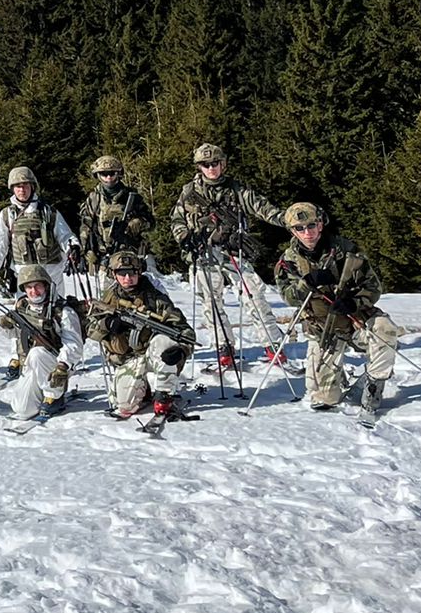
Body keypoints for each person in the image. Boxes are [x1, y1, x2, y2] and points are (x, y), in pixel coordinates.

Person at [275, 202, 402, 420]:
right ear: (292, 231)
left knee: (385, 329)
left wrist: (354, 302)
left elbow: (373, 287)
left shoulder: (346, 251)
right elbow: (288, 297)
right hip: (323, 329)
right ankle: (337, 376)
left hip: (356, 320)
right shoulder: (288, 262)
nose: (307, 232)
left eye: (311, 225)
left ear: (320, 224)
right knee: (324, 399)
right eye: (300, 228)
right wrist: (306, 283)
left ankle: (373, 385)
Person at [169, 142, 286, 368]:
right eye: (205, 164)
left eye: (215, 163)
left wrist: (286, 220)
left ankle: (272, 343)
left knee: (253, 295)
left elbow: (262, 207)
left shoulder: (236, 189)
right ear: (199, 167)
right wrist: (185, 238)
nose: (211, 168)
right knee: (210, 301)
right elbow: (177, 220)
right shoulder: (189, 192)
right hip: (204, 253)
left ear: (223, 164)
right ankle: (223, 345)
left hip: (234, 250)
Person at [85, 252, 196, 423]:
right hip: (127, 360)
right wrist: (106, 324)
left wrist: (182, 350)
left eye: (132, 273)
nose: (127, 278)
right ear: (114, 274)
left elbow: (185, 331)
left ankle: (164, 396)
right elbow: (89, 328)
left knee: (164, 342)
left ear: (139, 272)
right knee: (124, 406)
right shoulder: (109, 297)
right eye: (122, 273)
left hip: (152, 355)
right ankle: (143, 392)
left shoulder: (155, 297)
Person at [0, 265, 84, 428]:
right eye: (29, 287)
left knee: (37, 353)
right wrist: (5, 326)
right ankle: (42, 393)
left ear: (46, 286)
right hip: (30, 363)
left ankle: (54, 396)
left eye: (38, 286)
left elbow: (74, 344)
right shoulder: (21, 307)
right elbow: (14, 335)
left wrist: (63, 365)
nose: (34, 291)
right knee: (22, 409)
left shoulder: (62, 311)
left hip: (57, 365)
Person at [0, 166, 79, 294]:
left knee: (56, 305)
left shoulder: (49, 212)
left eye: (25, 186)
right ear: (12, 189)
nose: (22, 190)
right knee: (25, 307)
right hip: (24, 275)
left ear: (32, 187)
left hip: (51, 272)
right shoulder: (7, 215)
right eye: (18, 186)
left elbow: (65, 235)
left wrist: (73, 248)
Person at [75, 156, 155, 288]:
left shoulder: (132, 197)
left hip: (130, 257)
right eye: (104, 174)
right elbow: (86, 227)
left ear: (118, 174)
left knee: (133, 293)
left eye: (112, 173)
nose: (108, 177)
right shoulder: (94, 199)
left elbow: (150, 222)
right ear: (97, 175)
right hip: (104, 257)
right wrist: (86, 251)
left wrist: (135, 224)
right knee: (107, 295)